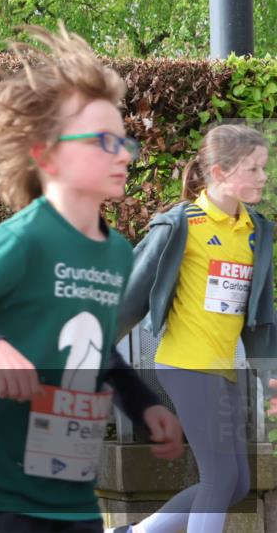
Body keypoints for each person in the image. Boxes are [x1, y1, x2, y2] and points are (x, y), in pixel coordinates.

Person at [0, 25, 184, 533]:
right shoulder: (25, 239)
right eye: (104, 141)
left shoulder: (116, 253)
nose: (124, 154)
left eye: (124, 141)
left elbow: (95, 347)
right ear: (47, 155)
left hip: (65, 482)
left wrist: (143, 405)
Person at [113, 124, 276, 533]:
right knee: (219, 479)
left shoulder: (256, 231)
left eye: (264, 167)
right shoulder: (180, 225)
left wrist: (272, 375)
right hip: (186, 365)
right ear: (220, 172)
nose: (263, 177)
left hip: (226, 370)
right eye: (253, 169)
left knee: (236, 484)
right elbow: (128, 295)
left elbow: (261, 315)